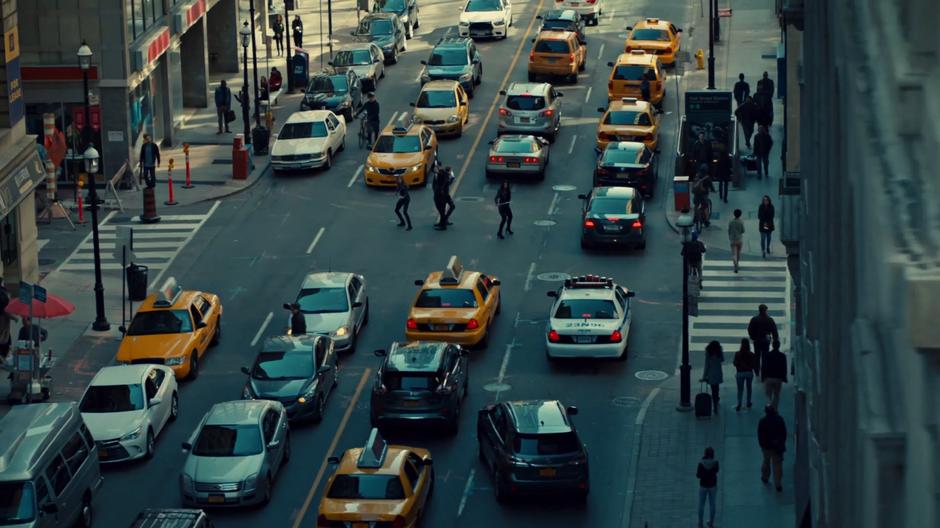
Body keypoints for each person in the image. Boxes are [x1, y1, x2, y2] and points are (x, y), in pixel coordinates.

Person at [757, 404, 787, 492]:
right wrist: (781, 443)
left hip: (766, 447)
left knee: (766, 462)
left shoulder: (762, 421)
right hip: (778, 447)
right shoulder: (779, 419)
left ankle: (765, 477)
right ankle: (778, 484)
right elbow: (784, 433)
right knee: (778, 465)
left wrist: (762, 445)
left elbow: (760, 435)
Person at [747, 304, 779, 375]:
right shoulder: (770, 319)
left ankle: (757, 371)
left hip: (757, 340)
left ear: (759, 310)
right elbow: (774, 331)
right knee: (765, 356)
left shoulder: (754, 319)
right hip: (766, 341)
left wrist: (753, 337)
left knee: (757, 356)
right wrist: (775, 340)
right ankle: (764, 370)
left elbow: (749, 329)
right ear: (766, 310)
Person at [696, 447, 719, 528]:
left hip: (703, 486)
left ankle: (700, 523)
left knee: (701, 505)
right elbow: (716, 471)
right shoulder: (715, 462)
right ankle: (711, 523)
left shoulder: (701, 463)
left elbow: (698, 475)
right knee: (712, 504)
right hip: (713, 485)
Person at [762, 341, 788, 409]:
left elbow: (764, 366)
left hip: (768, 378)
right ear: (779, 346)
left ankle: (769, 407)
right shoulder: (782, 356)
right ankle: (775, 408)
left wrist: (763, 377)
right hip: (778, 378)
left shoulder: (767, 355)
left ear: (772, 345)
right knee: (776, 395)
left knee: (768, 395)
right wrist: (784, 377)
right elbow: (784, 367)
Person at [701, 340, 724, 414]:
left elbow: (706, 366)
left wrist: (704, 377)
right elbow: (722, 360)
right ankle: (716, 401)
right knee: (716, 389)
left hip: (711, 374)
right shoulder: (719, 353)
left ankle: (715, 404)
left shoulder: (708, 354)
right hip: (718, 373)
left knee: (713, 389)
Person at [733, 338, 757, 411]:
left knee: (740, 389)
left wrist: (740, 364)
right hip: (749, 373)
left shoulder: (737, 353)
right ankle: (748, 402)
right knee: (749, 388)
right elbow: (754, 365)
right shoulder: (751, 354)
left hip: (740, 373)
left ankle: (739, 403)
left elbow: (734, 363)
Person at [728, 208, 745, 273]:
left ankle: (735, 263)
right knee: (738, 252)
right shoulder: (741, 222)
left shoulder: (731, 222)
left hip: (732, 239)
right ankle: (737, 263)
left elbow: (729, 230)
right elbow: (743, 230)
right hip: (739, 239)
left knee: (734, 253)